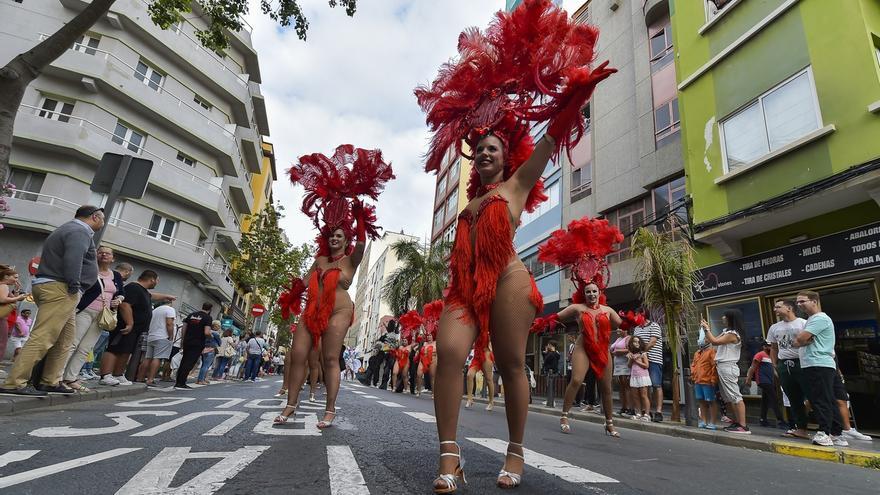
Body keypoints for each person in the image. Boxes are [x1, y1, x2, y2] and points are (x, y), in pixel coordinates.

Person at [416, 3, 614, 490]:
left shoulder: (517, 186)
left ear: (506, 157)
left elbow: (550, 140)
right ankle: (448, 458)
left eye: (493, 148)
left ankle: (516, 451)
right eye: (478, 147)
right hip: (464, 288)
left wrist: (574, 96)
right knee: (447, 352)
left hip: (508, 280)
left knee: (509, 363)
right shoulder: (468, 205)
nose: (484, 152)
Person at [273, 143, 392, 430]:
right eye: (332, 236)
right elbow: (302, 285)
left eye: (340, 235)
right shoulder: (320, 260)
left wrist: (359, 215)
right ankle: (291, 405)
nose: (335, 239)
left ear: (346, 237)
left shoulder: (351, 260)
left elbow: (362, 243)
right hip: (312, 310)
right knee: (298, 355)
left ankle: (329, 410)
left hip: (339, 312)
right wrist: (289, 299)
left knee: (329, 358)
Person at [531, 217, 624, 438]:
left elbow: (622, 326)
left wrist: (632, 322)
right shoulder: (577, 308)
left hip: (603, 349)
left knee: (607, 388)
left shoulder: (608, 311)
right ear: (584, 293)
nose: (591, 294)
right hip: (583, 346)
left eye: (594, 291)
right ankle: (564, 415)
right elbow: (554, 317)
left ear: (600, 291)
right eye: (588, 291)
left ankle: (609, 423)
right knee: (576, 380)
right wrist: (539, 320)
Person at [1, 205, 102, 396]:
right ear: (95, 217)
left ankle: (50, 380)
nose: (103, 223)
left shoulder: (68, 229)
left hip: (59, 287)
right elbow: (73, 259)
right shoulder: (79, 231)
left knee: (65, 339)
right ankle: (14, 382)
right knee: (44, 336)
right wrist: (74, 285)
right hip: (62, 288)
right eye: (102, 219)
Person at [59, 245, 124, 391]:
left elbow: (121, 292)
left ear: (113, 258)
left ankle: (71, 378)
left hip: (102, 315)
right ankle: (57, 376)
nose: (104, 255)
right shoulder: (89, 270)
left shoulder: (116, 275)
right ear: (95, 255)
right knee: (72, 343)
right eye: (100, 252)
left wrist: (118, 299)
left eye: (107, 253)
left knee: (86, 348)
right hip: (85, 310)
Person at [793, 290, 845, 447]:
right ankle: (836, 433)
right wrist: (801, 341)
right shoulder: (812, 320)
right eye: (798, 302)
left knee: (820, 398)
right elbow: (799, 341)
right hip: (820, 363)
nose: (799, 304)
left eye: (803, 301)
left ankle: (825, 432)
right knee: (828, 398)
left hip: (817, 363)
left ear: (814, 301)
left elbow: (800, 339)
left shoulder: (819, 318)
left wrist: (801, 340)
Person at [99, 270, 159, 386]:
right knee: (114, 349)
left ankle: (118, 374)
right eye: (156, 280)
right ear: (152, 279)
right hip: (126, 326)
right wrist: (130, 323)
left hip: (135, 329)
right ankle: (105, 375)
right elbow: (125, 305)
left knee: (125, 351)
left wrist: (167, 296)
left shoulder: (143, 292)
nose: (156, 283)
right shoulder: (134, 288)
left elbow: (153, 296)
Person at [701, 309, 750, 434]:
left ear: (731, 318)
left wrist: (707, 329)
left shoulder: (733, 334)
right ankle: (737, 422)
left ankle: (743, 425)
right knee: (728, 396)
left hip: (728, 366)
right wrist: (705, 331)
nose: (722, 318)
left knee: (735, 396)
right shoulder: (726, 332)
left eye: (725, 316)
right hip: (721, 366)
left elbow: (714, 341)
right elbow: (709, 341)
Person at [766, 299, 810, 439]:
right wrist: (774, 364)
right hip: (784, 363)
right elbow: (773, 347)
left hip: (802, 362)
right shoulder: (774, 327)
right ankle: (799, 428)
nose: (775, 309)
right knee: (792, 397)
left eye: (778, 307)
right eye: (774, 307)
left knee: (812, 395)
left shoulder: (803, 323)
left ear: (789, 308)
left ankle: (826, 429)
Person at [632, 310, 664, 422]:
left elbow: (652, 342)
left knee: (656, 385)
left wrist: (640, 352)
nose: (635, 317)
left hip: (654, 359)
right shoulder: (636, 328)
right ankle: (647, 410)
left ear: (643, 315)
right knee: (645, 387)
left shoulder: (655, 326)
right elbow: (634, 343)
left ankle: (659, 411)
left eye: (637, 314)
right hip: (640, 361)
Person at [174, 303, 214, 389]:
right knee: (190, 362)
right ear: (210, 309)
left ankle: (178, 381)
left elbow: (184, 328)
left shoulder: (191, 315)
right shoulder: (207, 318)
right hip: (197, 343)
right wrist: (211, 337)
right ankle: (182, 382)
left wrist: (182, 340)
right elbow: (206, 332)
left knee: (184, 361)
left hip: (187, 341)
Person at [746, 341, 785, 428]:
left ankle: (763, 419)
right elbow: (753, 367)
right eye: (769, 346)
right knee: (774, 399)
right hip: (763, 380)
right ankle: (781, 421)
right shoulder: (760, 354)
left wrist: (780, 379)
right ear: (764, 347)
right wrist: (748, 378)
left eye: (771, 346)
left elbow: (773, 370)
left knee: (765, 401)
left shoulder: (770, 357)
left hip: (770, 381)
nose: (771, 347)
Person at [611, 312, 639, 418]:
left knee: (627, 387)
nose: (618, 330)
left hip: (625, 365)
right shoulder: (618, 339)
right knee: (621, 387)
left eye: (620, 328)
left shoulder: (629, 338)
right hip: (617, 366)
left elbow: (631, 349)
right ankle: (623, 407)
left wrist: (618, 351)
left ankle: (630, 408)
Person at [143, 300, 175, 386]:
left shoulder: (155, 310)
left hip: (151, 335)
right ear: (170, 303)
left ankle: (140, 377)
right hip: (162, 336)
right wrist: (171, 336)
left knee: (148, 358)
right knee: (157, 358)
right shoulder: (169, 309)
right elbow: (169, 323)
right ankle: (150, 379)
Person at [0, 266, 29, 361]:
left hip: (4, 317)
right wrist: (18, 298)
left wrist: (16, 291)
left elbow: (11, 300)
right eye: (15, 277)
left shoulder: (4, 286)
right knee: (1, 342)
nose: (16, 280)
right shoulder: (3, 286)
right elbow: (3, 299)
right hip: (1, 318)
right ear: (6, 276)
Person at [690, 334, 718, 429]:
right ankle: (704, 421)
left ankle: (713, 422)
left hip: (708, 381)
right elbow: (693, 365)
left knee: (711, 401)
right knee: (701, 401)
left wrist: (713, 379)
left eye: (705, 338)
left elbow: (714, 366)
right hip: (698, 381)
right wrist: (693, 376)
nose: (702, 339)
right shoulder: (697, 353)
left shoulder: (711, 351)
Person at [627, 336, 651, 421]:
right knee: (635, 396)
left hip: (643, 376)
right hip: (634, 377)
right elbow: (629, 366)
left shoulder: (643, 354)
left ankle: (647, 414)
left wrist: (636, 361)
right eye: (634, 342)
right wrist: (631, 359)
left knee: (644, 395)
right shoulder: (631, 354)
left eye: (638, 342)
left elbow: (646, 366)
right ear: (631, 343)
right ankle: (638, 413)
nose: (636, 343)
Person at [466, 346, 496, 410]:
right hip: (477, 356)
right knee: (469, 375)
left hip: (486, 355)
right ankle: (469, 399)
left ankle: (491, 402)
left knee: (489, 379)